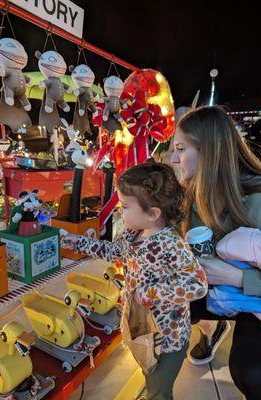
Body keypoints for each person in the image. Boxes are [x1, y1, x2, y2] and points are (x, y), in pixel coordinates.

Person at [171, 105, 261, 400]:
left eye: (180, 148)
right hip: (220, 291)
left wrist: (239, 277)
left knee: (258, 376)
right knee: (165, 302)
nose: (174, 158)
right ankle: (211, 331)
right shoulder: (190, 195)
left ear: (210, 152)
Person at [61, 162, 208, 400]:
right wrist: (77, 242)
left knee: (160, 388)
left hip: (168, 338)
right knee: (147, 371)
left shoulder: (170, 243)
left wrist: (152, 292)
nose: (120, 210)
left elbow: (198, 284)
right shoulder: (134, 233)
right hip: (140, 327)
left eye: (125, 206)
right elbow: (113, 252)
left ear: (153, 213)